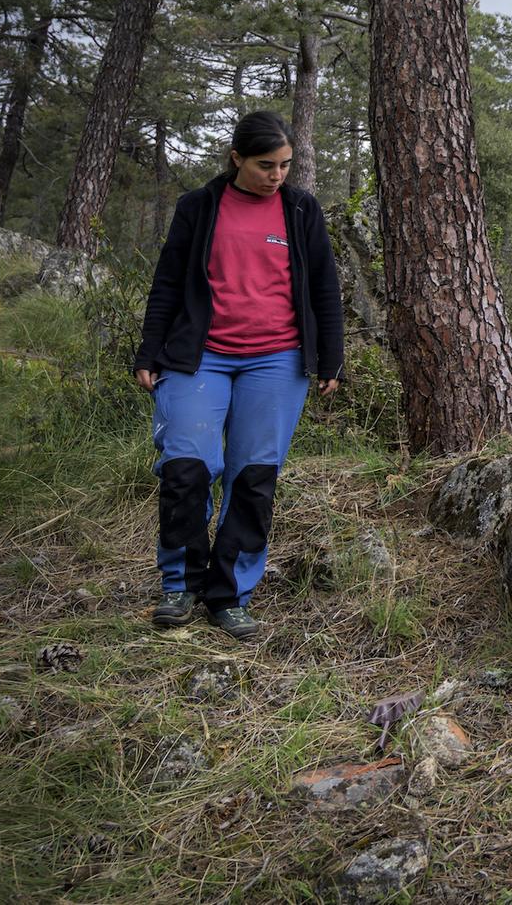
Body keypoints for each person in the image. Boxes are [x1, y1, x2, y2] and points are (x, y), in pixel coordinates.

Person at [135, 110, 343, 641]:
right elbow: (167, 283)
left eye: (285, 165)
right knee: (187, 467)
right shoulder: (199, 207)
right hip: (197, 357)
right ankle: (179, 585)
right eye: (265, 165)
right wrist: (148, 351)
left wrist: (331, 358)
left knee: (253, 479)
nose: (277, 176)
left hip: (277, 361)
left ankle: (229, 596)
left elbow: (324, 288)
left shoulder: (301, 210)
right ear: (236, 159)